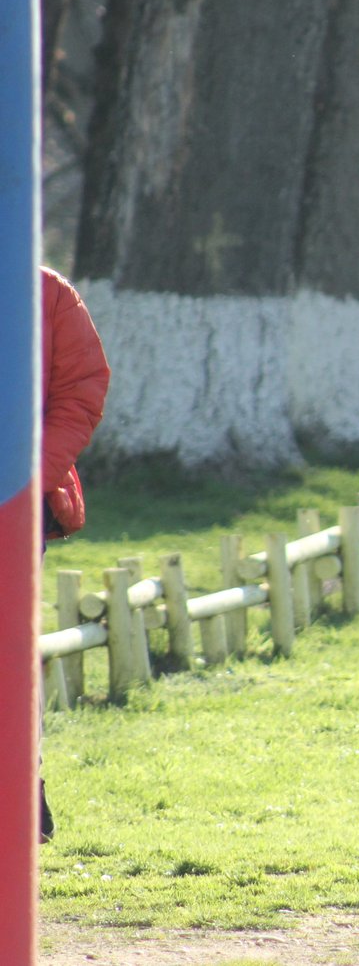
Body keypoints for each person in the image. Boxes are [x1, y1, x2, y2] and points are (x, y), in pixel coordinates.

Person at [40, 266, 111, 844]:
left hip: (14, 507)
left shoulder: (49, 294)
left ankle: (20, 781)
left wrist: (28, 479)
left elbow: (80, 394)